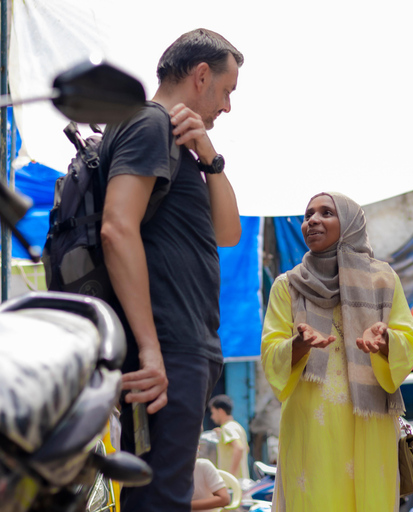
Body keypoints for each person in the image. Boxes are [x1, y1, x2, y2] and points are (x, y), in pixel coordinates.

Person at [100, 28, 243, 512]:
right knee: (161, 501)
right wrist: (151, 349)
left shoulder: (178, 140)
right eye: (226, 91)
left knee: (160, 497)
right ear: (201, 76)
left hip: (181, 346)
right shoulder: (149, 123)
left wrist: (210, 157)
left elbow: (227, 233)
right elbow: (117, 228)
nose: (227, 107)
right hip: (169, 344)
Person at [261, 192, 413, 512]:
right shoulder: (287, 285)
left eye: (325, 213)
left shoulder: (383, 279)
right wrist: (299, 344)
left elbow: (408, 339)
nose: (312, 221)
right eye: (308, 215)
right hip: (310, 419)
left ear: (349, 224)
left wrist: (386, 341)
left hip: (369, 418)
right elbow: (270, 351)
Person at [208, 394, 250, 479]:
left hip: (233, 484)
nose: (212, 417)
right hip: (243, 481)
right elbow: (246, 448)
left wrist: (230, 477)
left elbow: (239, 448)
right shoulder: (237, 427)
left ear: (220, 411)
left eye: (213, 413)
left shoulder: (227, 428)